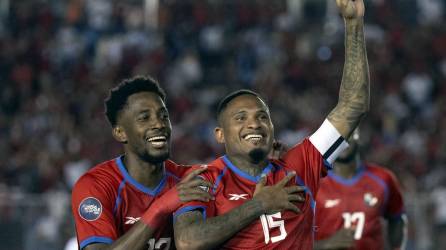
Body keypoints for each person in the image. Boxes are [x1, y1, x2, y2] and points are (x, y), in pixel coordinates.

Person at [173, 0, 370, 249]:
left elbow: (354, 106)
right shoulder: (205, 181)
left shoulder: (299, 165)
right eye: (240, 118)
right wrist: (259, 205)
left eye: (262, 116)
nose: (254, 124)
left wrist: (353, 25)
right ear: (220, 135)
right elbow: (187, 241)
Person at [71, 76, 214, 250]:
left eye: (164, 116)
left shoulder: (187, 178)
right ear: (120, 133)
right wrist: (160, 207)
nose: (159, 124)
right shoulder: (95, 186)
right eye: (144, 118)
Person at [314, 130, 407, 250]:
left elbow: (397, 218)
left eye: (349, 133)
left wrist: (396, 248)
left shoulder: (384, 179)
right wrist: (325, 245)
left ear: (359, 137)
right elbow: (290, 239)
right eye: (336, 135)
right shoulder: (311, 182)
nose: (343, 140)